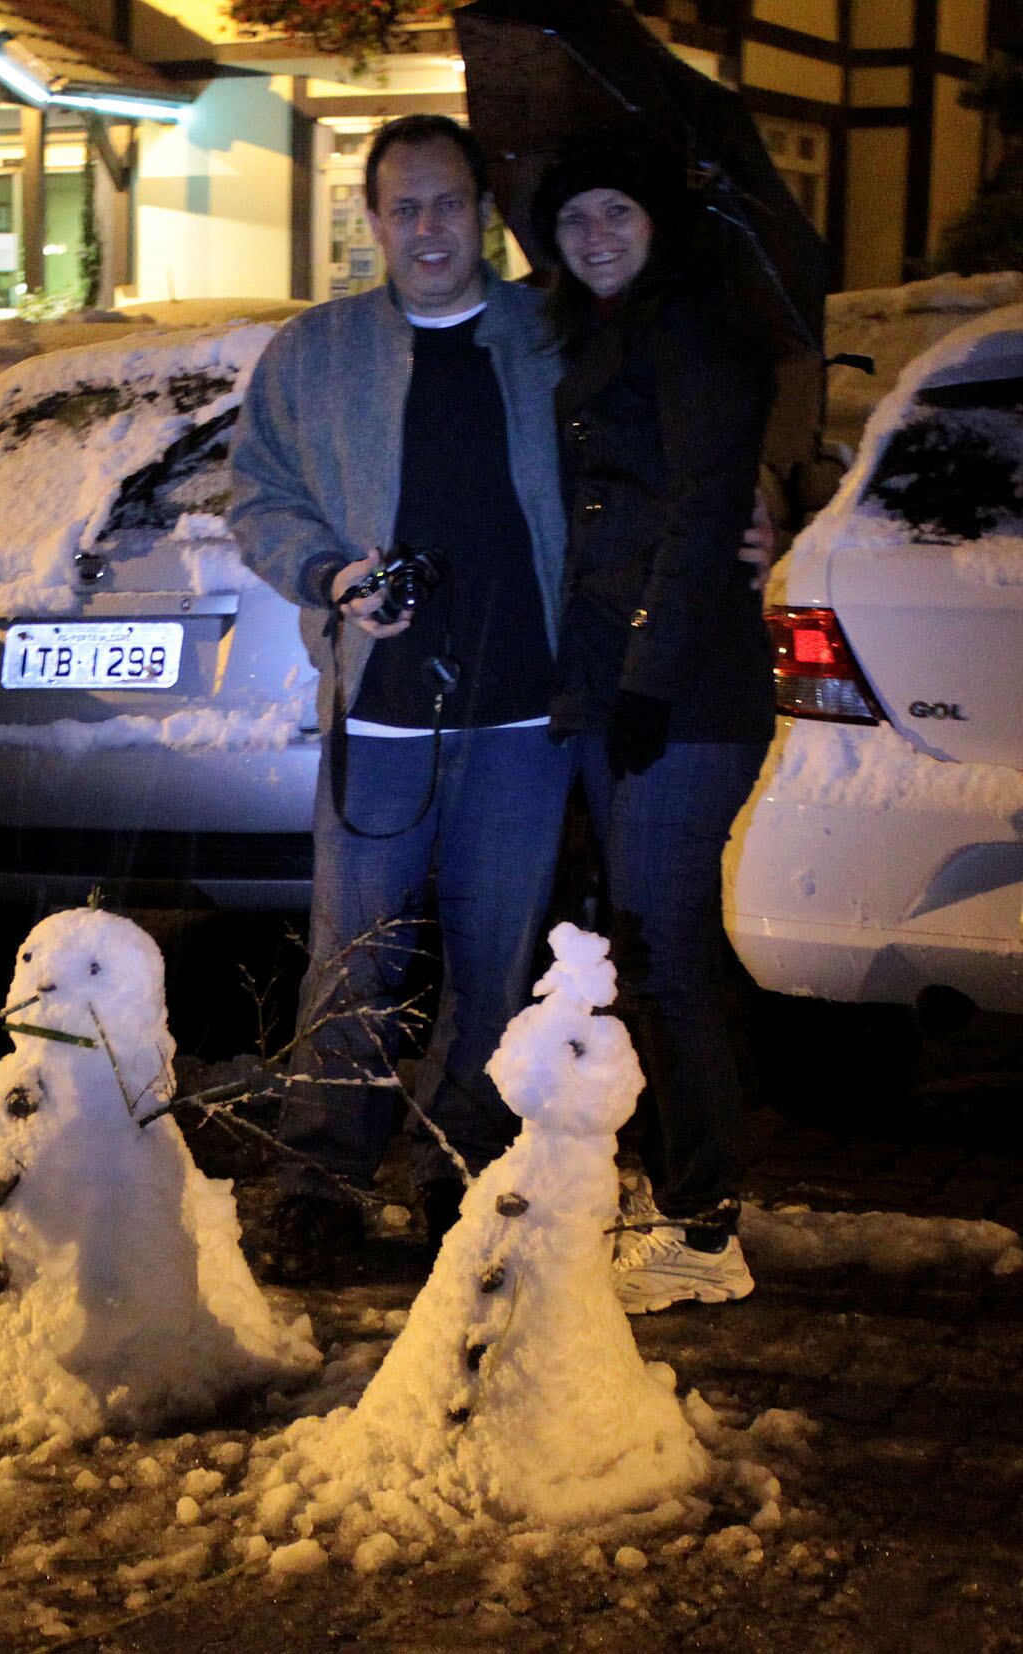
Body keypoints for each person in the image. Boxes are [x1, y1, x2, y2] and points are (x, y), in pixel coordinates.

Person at [227, 114, 573, 1283]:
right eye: (404, 207)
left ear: (482, 213)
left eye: (448, 204)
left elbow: (643, 463)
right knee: (352, 958)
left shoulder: (550, 337)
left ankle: (454, 1168)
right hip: (379, 712)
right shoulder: (314, 354)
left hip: (522, 715)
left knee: (494, 959)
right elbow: (257, 495)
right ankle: (317, 1181)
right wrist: (328, 574)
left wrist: (750, 501)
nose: (428, 229)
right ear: (371, 219)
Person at [534, 136, 775, 1313]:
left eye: (615, 210)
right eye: (572, 215)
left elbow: (703, 507)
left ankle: (703, 1225)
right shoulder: (587, 332)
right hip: (607, 687)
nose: (593, 234)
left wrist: (645, 675)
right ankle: (680, 1189)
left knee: (666, 948)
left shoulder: (691, 329)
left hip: (679, 695)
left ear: (656, 222)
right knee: (642, 945)